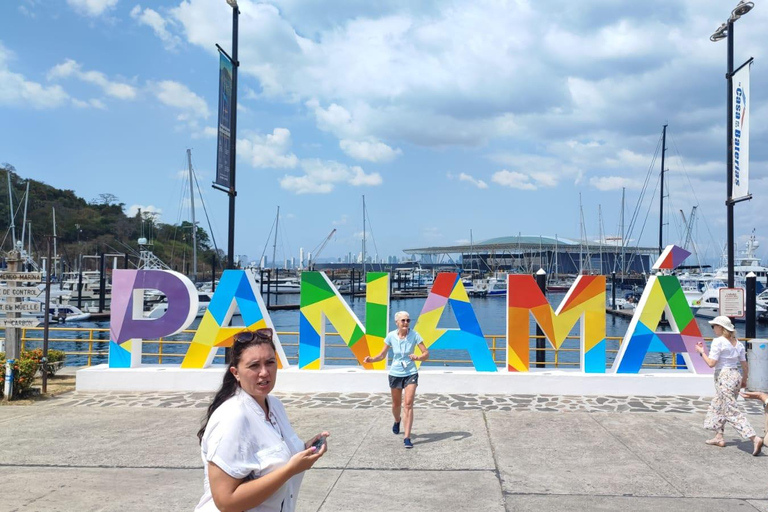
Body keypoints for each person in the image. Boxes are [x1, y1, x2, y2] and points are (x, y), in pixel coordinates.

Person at [195, 328, 329, 511]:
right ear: (235, 372)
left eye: (270, 362)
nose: (264, 372)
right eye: (254, 366)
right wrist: (290, 470)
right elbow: (226, 501)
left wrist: (304, 451)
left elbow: (270, 459)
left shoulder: (274, 405)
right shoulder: (233, 417)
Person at [694, 316, 762, 456]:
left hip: (724, 377)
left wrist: (701, 352)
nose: (713, 328)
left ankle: (754, 437)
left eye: (714, 326)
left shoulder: (718, 342)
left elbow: (711, 363)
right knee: (719, 405)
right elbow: (744, 364)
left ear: (721, 328)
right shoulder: (738, 343)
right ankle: (719, 437)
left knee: (730, 410)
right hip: (735, 375)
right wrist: (744, 379)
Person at [363, 310, 429, 449]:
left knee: (408, 404)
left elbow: (426, 353)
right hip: (395, 373)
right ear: (397, 323)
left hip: (411, 372)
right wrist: (371, 359)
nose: (406, 323)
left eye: (408, 320)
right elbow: (382, 355)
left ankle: (407, 437)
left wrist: (418, 357)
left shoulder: (415, 335)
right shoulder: (391, 336)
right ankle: (397, 420)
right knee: (396, 404)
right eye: (403, 320)